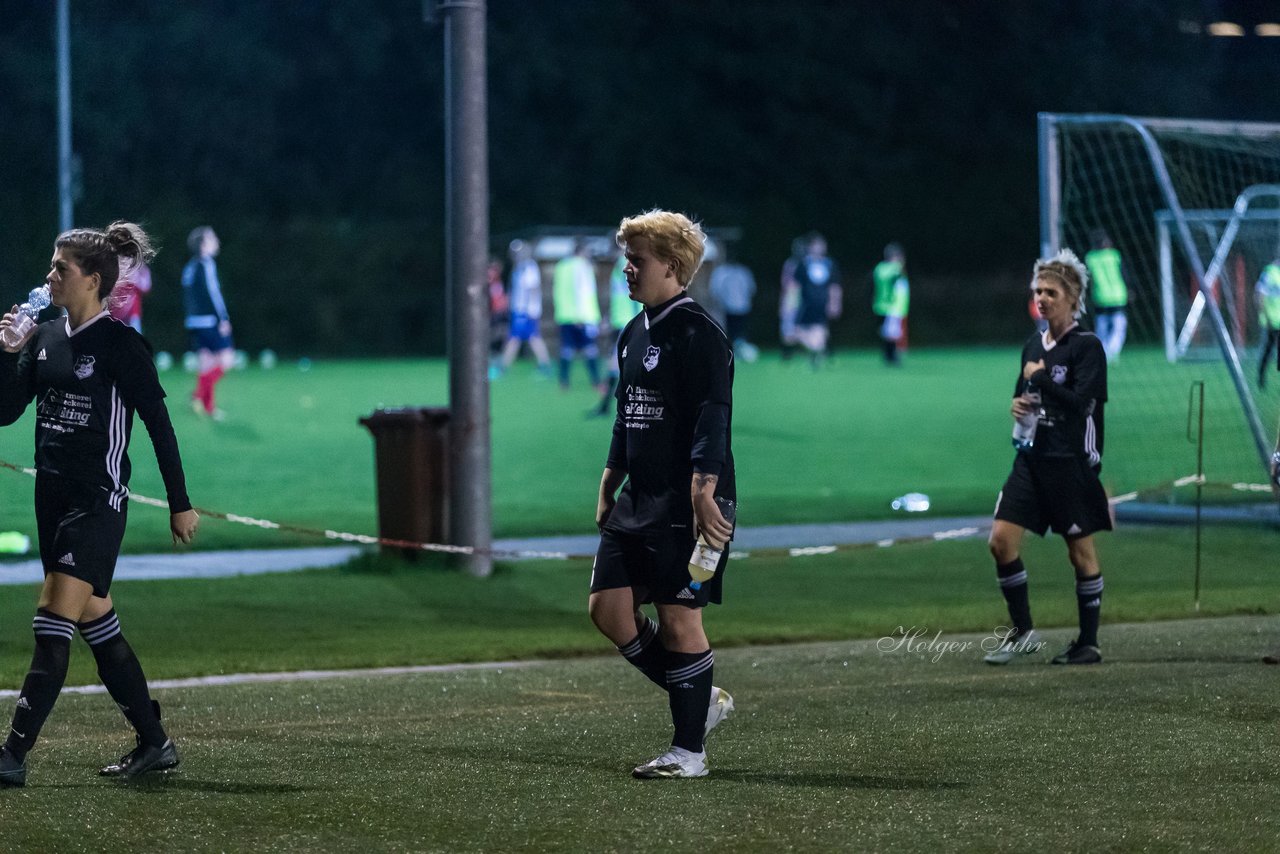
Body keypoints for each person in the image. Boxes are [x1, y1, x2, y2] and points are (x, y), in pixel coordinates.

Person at [0, 222, 199, 787]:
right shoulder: (43, 336)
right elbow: (5, 410)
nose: (50, 275)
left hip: (97, 503)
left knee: (51, 622)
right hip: (51, 499)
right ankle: (155, 742)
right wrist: (5, 352)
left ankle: (11, 754)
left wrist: (179, 504)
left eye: (61, 268)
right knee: (99, 625)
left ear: (92, 279)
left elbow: (160, 427)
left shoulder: (120, 344)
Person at [591, 209, 736, 779]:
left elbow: (712, 421)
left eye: (637, 261)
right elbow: (626, 419)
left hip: (690, 503)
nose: (626, 270)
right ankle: (703, 698)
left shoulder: (701, 334)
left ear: (672, 267)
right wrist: (609, 483)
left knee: (680, 620)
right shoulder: (633, 332)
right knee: (608, 610)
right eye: (626, 259)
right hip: (638, 500)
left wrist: (706, 494)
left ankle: (689, 752)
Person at [985, 248, 1110, 667]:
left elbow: (1081, 405)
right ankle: (1022, 633)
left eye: (1050, 292)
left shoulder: (1087, 347)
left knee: (1080, 553)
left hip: (1070, 461)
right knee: (1000, 542)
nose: (1041, 298)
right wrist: (1018, 404)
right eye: (1038, 291)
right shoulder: (1031, 345)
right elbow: (1025, 394)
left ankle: (1088, 643)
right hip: (1031, 460)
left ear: (1072, 297)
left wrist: (1040, 378)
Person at [182, 226, 233, 420]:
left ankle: (208, 407)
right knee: (226, 361)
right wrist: (223, 319)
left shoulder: (190, 266)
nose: (216, 242)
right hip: (210, 321)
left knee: (206, 364)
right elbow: (213, 293)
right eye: (212, 239)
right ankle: (199, 396)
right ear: (203, 244)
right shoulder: (206, 264)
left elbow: (188, 297)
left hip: (194, 322)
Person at [591, 252, 643, 416]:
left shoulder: (626, 263)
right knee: (619, 364)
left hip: (628, 322)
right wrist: (609, 317)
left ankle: (607, 406)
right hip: (622, 321)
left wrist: (639, 320)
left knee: (618, 364)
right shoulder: (622, 264)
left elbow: (637, 291)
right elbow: (621, 296)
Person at [497, 240, 552, 377]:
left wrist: (529, 310)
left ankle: (503, 367)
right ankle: (544, 365)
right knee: (532, 338)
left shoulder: (529, 268)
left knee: (515, 338)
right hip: (520, 310)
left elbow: (532, 290)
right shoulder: (519, 268)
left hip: (525, 311)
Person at [552, 239, 602, 390]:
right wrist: (580, 315)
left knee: (566, 349)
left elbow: (557, 291)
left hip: (564, 315)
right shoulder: (582, 266)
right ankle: (596, 381)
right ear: (582, 251)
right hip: (582, 316)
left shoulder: (561, 266)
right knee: (590, 349)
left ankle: (564, 381)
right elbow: (582, 291)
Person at [791, 232, 841, 368]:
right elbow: (795, 285)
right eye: (816, 245)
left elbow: (834, 286)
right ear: (810, 247)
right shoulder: (804, 264)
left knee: (820, 330)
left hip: (822, 303)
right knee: (796, 331)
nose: (819, 248)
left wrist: (835, 303)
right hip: (806, 303)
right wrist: (790, 304)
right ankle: (817, 350)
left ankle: (815, 355)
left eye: (822, 245)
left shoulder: (830, 264)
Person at [1084, 229, 1129, 362]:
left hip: (1100, 296)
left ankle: (1102, 351)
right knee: (1119, 326)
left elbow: (1088, 279)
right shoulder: (1114, 255)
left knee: (1101, 326)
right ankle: (1112, 351)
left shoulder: (1090, 258)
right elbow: (1124, 274)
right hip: (1118, 295)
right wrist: (1131, 288)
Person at [709, 250, 758, 362]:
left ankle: (738, 352)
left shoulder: (723, 272)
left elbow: (715, 290)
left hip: (733, 307)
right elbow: (751, 289)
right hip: (739, 306)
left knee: (734, 332)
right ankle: (735, 352)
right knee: (737, 331)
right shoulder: (738, 271)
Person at [872, 243, 910, 365]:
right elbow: (900, 287)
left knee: (886, 331)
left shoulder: (879, 268)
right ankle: (891, 356)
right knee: (892, 332)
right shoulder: (896, 269)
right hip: (892, 304)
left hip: (880, 303)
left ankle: (888, 355)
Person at [1254, 257, 1280, 389]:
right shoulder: (1269, 272)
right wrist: (1264, 314)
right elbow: (1259, 294)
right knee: (1268, 352)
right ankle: (1261, 376)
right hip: (1270, 321)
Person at [108, 260, 151, 334]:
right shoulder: (118, 266)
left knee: (134, 338)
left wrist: (136, 277)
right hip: (115, 314)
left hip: (133, 313)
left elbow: (146, 287)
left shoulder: (141, 270)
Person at [778, 237, 803, 360]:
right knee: (788, 325)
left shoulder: (806, 264)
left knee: (802, 325)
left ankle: (800, 349)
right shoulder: (790, 263)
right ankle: (787, 352)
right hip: (791, 296)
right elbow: (785, 283)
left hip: (803, 297)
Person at [486, 258, 510, 379]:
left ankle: (497, 368)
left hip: (499, 316)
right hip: (494, 316)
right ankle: (494, 367)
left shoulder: (498, 284)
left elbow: (502, 301)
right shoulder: (489, 284)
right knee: (491, 343)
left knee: (497, 343)